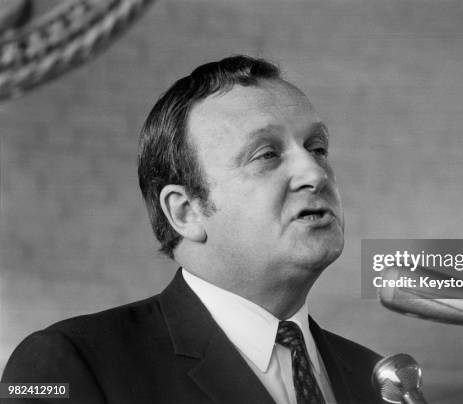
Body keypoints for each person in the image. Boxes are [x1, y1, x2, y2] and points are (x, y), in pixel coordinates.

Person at [1, 55, 383, 403]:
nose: (315, 174)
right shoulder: (68, 364)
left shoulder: (380, 380)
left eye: (317, 148)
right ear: (185, 212)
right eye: (266, 155)